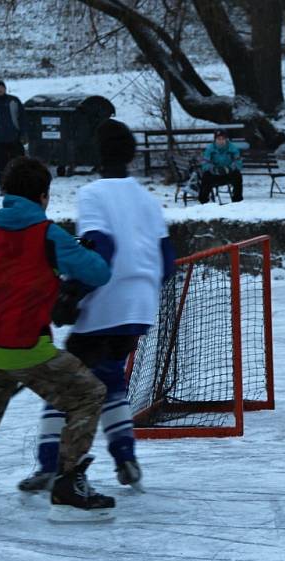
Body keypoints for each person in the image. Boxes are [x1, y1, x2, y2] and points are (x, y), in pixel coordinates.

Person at [0, 157, 116, 521]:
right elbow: (98, 273)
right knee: (87, 395)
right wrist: (83, 252)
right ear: (43, 196)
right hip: (30, 349)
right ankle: (68, 482)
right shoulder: (49, 235)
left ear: (5, 193)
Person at [18, 119, 175, 494]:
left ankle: (49, 464)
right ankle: (125, 457)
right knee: (111, 379)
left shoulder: (92, 194)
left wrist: (71, 293)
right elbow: (167, 262)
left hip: (105, 303)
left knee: (64, 383)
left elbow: (101, 250)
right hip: (140, 308)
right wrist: (141, 290)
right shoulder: (147, 197)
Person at [199, 129, 243, 204]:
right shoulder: (210, 148)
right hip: (215, 173)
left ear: (226, 139)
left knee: (238, 175)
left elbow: (238, 162)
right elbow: (205, 163)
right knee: (206, 176)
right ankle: (203, 201)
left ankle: (237, 201)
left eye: (223, 139)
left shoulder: (233, 148)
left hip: (228, 173)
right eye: (219, 139)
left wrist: (230, 168)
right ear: (215, 139)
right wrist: (213, 169)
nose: (221, 141)